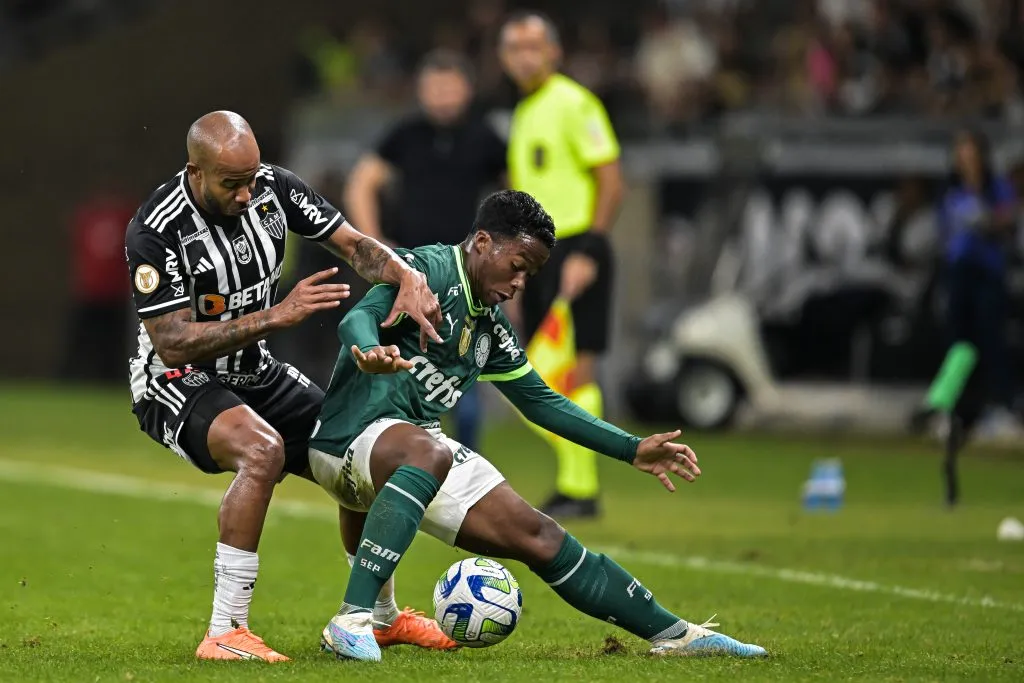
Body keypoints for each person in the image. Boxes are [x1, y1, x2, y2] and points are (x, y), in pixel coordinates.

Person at [307, 190, 766, 661]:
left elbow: (543, 403)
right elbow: (358, 318)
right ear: (482, 242)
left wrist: (631, 449)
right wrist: (370, 350)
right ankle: (352, 618)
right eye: (519, 264)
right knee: (428, 451)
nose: (522, 282)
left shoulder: (491, 329)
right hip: (348, 436)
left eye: (532, 273)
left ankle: (676, 635)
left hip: (416, 450)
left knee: (542, 537)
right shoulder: (426, 271)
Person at [125, 111, 451, 663]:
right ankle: (225, 630)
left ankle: (378, 618)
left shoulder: (274, 188)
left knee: (352, 446)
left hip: (255, 370)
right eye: (233, 184)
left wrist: (407, 276)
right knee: (263, 450)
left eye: (252, 178)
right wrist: (275, 317)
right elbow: (174, 342)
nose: (248, 194)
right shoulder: (156, 230)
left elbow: (354, 246)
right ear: (195, 172)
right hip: (175, 380)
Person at [344, 48, 507, 453]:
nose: (442, 96)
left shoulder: (485, 138)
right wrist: (376, 244)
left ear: (467, 89)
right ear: (421, 90)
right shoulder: (405, 134)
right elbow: (361, 183)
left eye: (450, 87)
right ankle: (392, 452)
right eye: (434, 88)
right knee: (399, 370)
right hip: (410, 272)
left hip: (463, 276)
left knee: (463, 379)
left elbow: (514, 197)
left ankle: (465, 463)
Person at [500, 11, 626, 519]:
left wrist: (590, 250)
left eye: (533, 46)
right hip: (538, 258)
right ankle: (578, 483)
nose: (523, 56)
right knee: (535, 378)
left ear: (554, 51)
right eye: (514, 48)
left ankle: (581, 487)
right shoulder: (525, 112)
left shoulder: (575, 103)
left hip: (576, 248)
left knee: (570, 372)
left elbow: (612, 180)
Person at [911, 129, 1023, 440]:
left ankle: (1002, 408)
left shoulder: (995, 187)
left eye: (970, 151)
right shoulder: (950, 190)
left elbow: (1009, 218)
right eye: (961, 152)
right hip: (959, 271)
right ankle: (949, 408)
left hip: (988, 272)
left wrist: (987, 220)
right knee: (958, 343)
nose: (966, 159)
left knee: (992, 340)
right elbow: (943, 229)